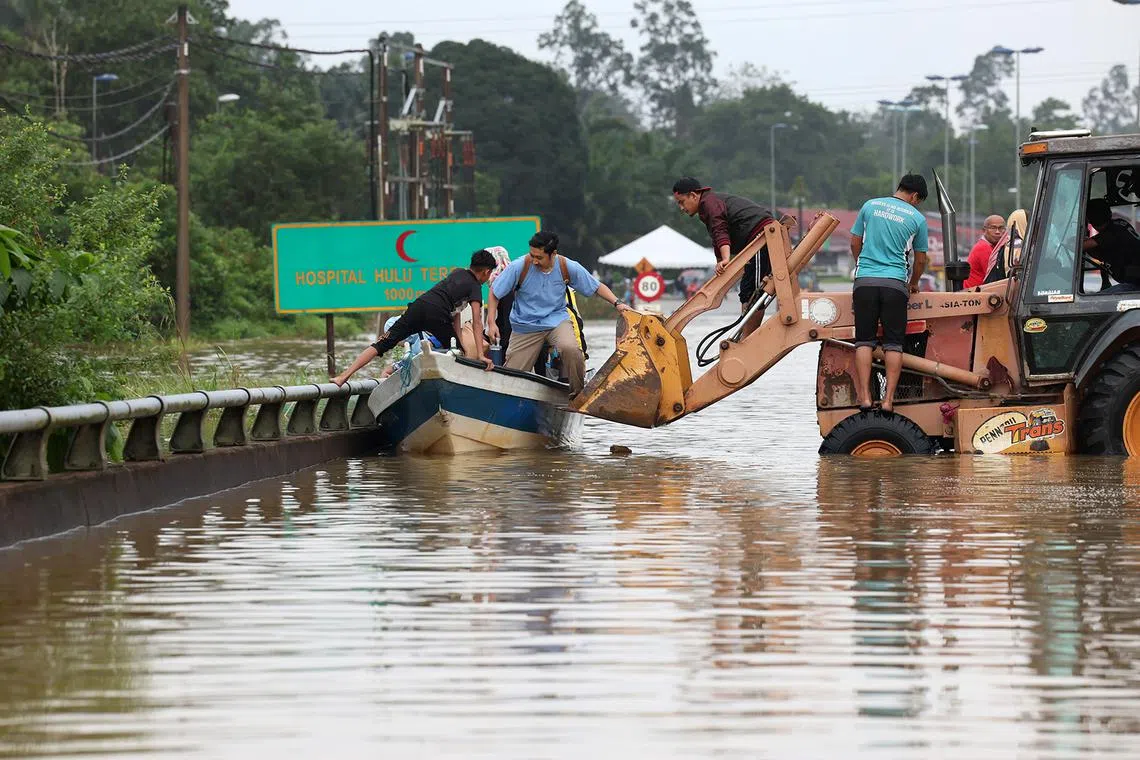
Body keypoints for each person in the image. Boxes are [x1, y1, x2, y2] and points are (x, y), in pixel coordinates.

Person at [486, 230, 630, 396]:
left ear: (553, 254)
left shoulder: (567, 266)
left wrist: (618, 304)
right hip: (525, 325)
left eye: (539, 257)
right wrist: (491, 323)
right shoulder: (520, 266)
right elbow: (495, 292)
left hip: (556, 320)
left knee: (571, 349)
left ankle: (577, 394)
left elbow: (596, 287)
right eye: (532, 255)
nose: (534, 261)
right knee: (512, 376)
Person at [332, 249, 497, 386]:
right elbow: (477, 322)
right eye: (489, 274)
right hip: (437, 315)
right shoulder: (475, 287)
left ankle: (343, 376)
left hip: (419, 306)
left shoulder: (457, 273)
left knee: (382, 343)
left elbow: (456, 315)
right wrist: (479, 355)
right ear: (486, 271)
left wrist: (461, 344)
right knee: (457, 356)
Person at [849, 174, 930, 413]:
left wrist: (861, 266)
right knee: (894, 344)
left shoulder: (870, 205)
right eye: (919, 200)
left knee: (864, 340)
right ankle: (888, 401)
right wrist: (913, 283)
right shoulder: (917, 218)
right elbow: (920, 259)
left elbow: (855, 242)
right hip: (895, 284)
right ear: (915, 196)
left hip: (864, 282)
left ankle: (864, 397)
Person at [671, 177, 791, 337]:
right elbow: (716, 236)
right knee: (747, 290)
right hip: (755, 241)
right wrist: (720, 262)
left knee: (755, 292)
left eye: (681, 202)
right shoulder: (707, 206)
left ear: (693, 195)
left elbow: (721, 230)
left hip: (761, 237)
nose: (681, 208)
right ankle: (744, 336)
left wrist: (726, 259)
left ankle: (748, 339)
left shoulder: (709, 203)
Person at [1083, 199, 1140, 293]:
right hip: (1132, 282)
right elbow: (1101, 255)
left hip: (1135, 285)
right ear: (1109, 213)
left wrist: (1072, 240)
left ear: (1089, 220)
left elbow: (1081, 246)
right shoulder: (1119, 224)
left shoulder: (1111, 233)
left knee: (1097, 302)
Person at [963, 215, 1006, 288]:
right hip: (976, 295)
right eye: (993, 228)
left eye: (1001, 228)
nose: (997, 232)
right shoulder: (984, 247)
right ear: (984, 230)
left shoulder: (992, 246)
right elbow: (995, 277)